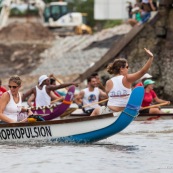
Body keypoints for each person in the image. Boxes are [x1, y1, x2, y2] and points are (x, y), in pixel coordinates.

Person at [90, 48, 154, 116]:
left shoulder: (108, 82)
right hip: (124, 112)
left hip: (110, 111)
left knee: (96, 110)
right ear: (121, 69)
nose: (128, 69)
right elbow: (142, 72)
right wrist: (151, 58)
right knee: (97, 110)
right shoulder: (127, 78)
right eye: (127, 67)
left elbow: (108, 96)